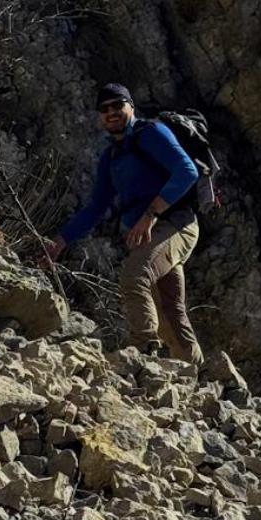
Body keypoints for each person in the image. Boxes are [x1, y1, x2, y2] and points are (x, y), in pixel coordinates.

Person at [43, 84, 203, 366]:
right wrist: (61, 240)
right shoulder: (111, 158)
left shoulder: (151, 133)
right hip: (150, 233)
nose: (111, 113)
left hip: (177, 223)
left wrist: (150, 215)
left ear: (131, 106)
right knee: (170, 311)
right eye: (104, 109)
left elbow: (186, 170)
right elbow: (96, 208)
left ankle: (142, 352)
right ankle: (196, 375)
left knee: (134, 274)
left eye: (117, 105)